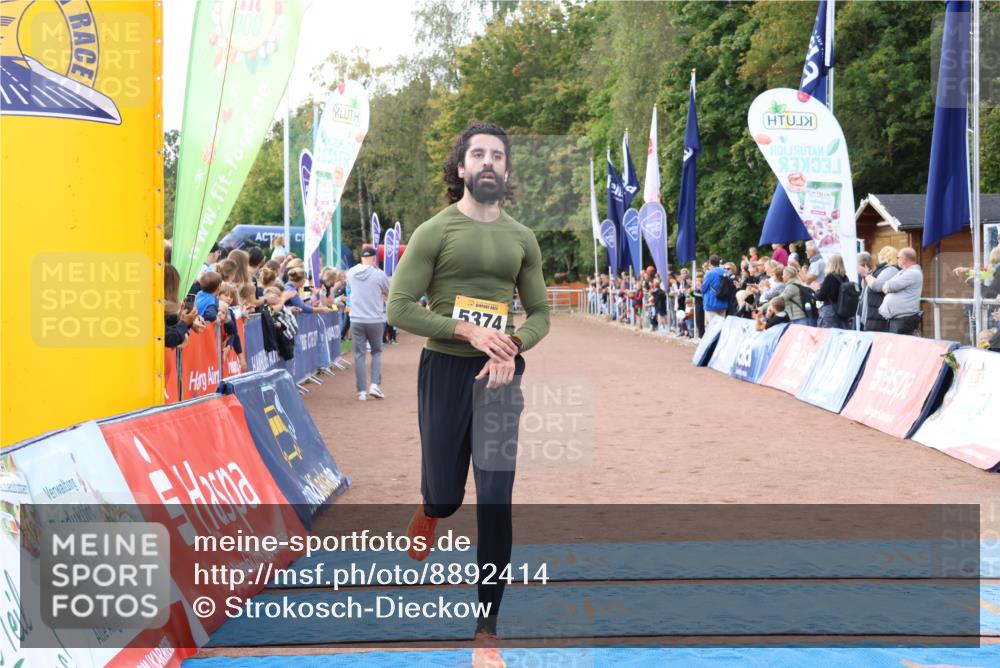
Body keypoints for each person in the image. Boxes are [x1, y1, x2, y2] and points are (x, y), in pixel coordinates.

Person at [386, 122, 550, 666]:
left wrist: (510, 347)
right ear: (461, 168)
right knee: (447, 496)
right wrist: (468, 331)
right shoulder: (435, 231)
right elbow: (399, 307)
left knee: (496, 499)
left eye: (497, 156)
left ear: (506, 169)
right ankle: (431, 507)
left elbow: (541, 313)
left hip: (500, 377)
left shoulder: (522, 238)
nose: (487, 162)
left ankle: (486, 631)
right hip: (445, 372)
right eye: (477, 154)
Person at [347, 247, 391, 401]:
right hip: (375, 319)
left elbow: (350, 288)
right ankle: (374, 385)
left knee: (359, 355)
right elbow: (388, 292)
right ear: (374, 259)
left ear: (361, 258)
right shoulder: (379, 274)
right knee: (376, 352)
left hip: (356, 319)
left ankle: (361, 391)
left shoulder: (351, 272)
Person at [878, 247, 923, 335]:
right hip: (899, 319)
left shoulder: (913, 273)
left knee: (900, 344)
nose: (897, 260)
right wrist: (887, 286)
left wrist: (888, 287)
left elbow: (891, 285)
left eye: (898, 258)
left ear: (904, 259)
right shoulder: (903, 271)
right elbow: (885, 285)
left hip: (903, 319)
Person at [861, 246, 900, 332]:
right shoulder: (882, 269)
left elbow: (877, 286)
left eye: (880, 253)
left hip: (878, 317)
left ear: (884, 256)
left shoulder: (891, 269)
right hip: (874, 315)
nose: (878, 255)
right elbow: (867, 287)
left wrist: (867, 275)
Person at [815, 254, 849, 329]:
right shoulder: (845, 278)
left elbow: (820, 297)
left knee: (827, 334)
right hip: (842, 311)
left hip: (830, 311)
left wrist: (817, 289)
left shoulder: (830, 277)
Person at [701, 255, 729, 325]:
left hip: (711, 302)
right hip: (723, 302)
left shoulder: (710, 273)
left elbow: (703, 289)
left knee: (713, 326)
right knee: (721, 325)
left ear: (710, 263)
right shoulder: (725, 272)